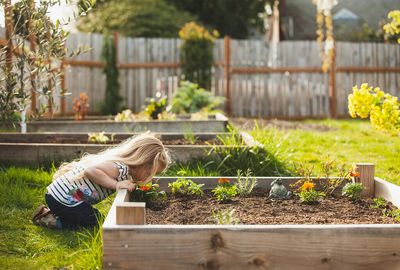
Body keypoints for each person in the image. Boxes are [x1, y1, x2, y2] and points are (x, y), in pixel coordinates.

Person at [32, 133, 170, 229]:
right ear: (142, 162)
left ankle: (54, 212)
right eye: (150, 173)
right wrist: (116, 184)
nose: (149, 178)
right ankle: (50, 220)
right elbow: (90, 171)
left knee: (92, 217)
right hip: (64, 199)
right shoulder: (120, 167)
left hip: (61, 197)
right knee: (96, 221)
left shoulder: (125, 170)